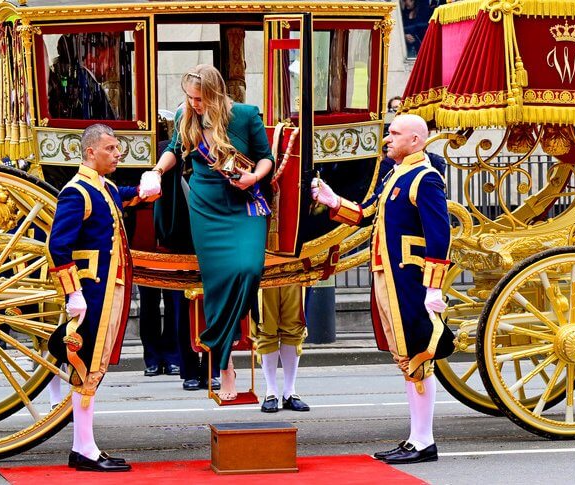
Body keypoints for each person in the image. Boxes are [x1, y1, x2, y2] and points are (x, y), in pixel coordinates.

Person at [311, 114, 452, 464]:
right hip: (389, 275)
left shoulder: (426, 178)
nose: (387, 139)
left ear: (416, 141)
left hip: (410, 278)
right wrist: (332, 201)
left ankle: (423, 441)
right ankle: (417, 438)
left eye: (394, 134)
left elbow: (440, 234)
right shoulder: (395, 174)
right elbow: (366, 213)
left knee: (417, 354)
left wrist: (433, 288)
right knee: (404, 357)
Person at [141, 64, 274, 401]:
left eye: (199, 98)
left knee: (248, 269)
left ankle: (217, 341)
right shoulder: (188, 115)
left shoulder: (245, 115)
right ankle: (224, 366)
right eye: (189, 97)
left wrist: (253, 179)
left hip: (243, 201)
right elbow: (174, 149)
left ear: (215, 94)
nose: (193, 103)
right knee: (216, 283)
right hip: (205, 206)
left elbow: (266, 158)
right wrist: (156, 171)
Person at [47, 123, 157, 472]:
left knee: (94, 370)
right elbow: (57, 246)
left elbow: (120, 195)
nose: (117, 153)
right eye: (110, 148)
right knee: (86, 368)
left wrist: (144, 188)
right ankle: (84, 449)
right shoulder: (76, 192)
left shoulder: (102, 186)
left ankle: (85, 445)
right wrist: (73, 293)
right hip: (91, 291)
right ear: (90, 152)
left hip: (109, 287)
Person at [255, 285, 310, 413]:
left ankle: (289, 392)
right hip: (265, 271)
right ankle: (271, 391)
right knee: (266, 327)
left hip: (296, 269)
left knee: (294, 327)